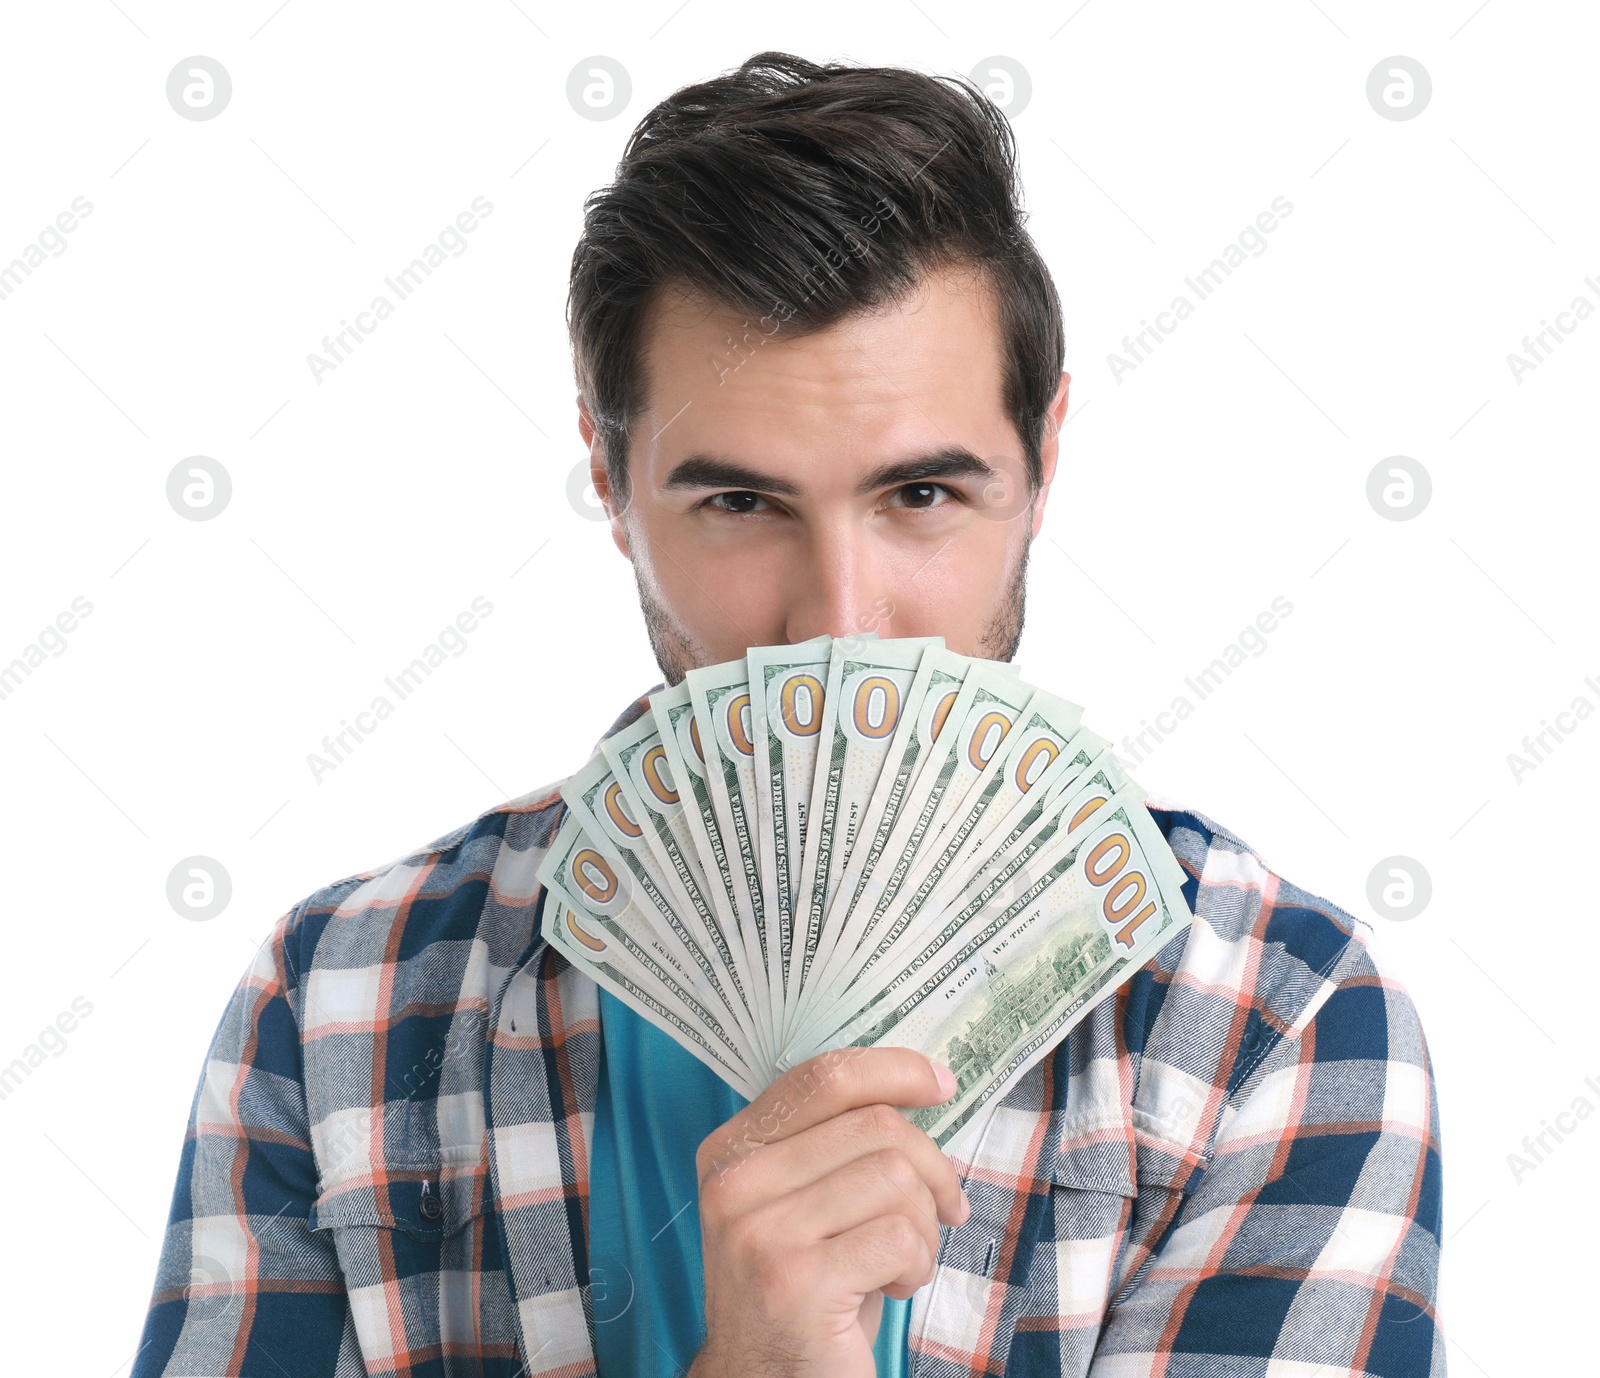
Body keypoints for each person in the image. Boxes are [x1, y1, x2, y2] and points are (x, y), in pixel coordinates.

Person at [130, 51, 1444, 1378]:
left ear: (1042, 460)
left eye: (923, 494)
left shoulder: (1273, 1022)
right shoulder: (340, 1004)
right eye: (742, 503)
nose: (841, 621)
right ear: (607, 468)